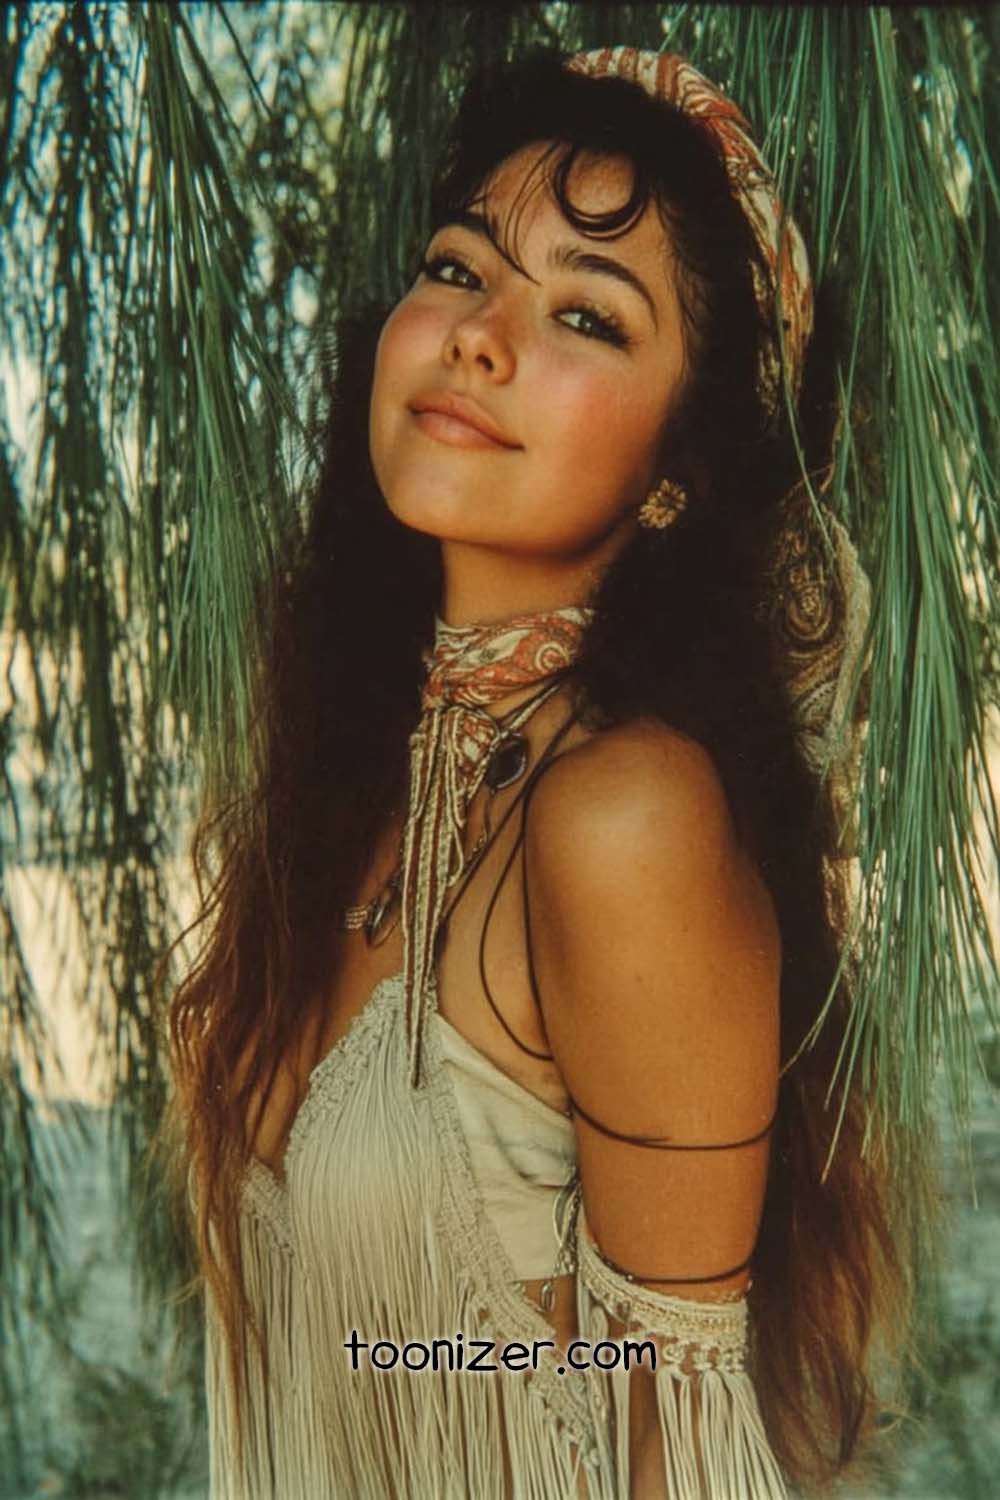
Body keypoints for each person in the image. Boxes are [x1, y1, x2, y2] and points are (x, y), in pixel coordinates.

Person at [169, 45, 911, 1499]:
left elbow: (671, 1440)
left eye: (586, 312)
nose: (479, 335)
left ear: (673, 468)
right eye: (458, 269)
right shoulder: (344, 788)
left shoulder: (625, 816)